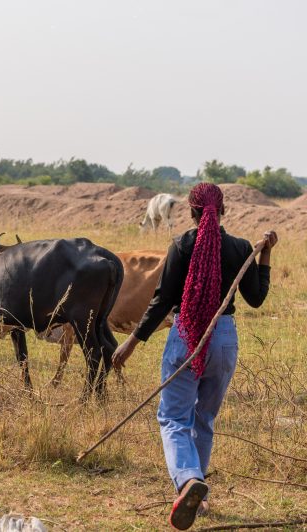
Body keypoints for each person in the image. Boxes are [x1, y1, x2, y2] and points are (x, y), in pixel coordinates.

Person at [112, 183, 276, 530]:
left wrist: (131, 342)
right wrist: (265, 255)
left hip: (187, 335)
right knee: (204, 418)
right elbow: (257, 298)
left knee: (173, 418)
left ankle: (188, 481)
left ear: (192, 212)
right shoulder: (240, 248)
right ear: (223, 212)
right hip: (224, 339)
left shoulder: (181, 245)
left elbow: (161, 300)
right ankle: (196, 497)